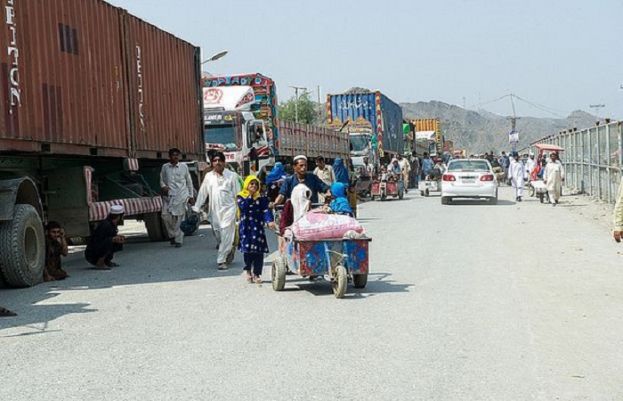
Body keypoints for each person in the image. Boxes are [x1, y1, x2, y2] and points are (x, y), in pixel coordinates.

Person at [194, 151, 241, 270]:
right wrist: (197, 206)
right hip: (214, 211)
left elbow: (238, 194)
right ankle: (229, 249)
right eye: (215, 161)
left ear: (224, 163)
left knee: (226, 234)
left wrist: (241, 210)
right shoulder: (209, 176)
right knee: (220, 236)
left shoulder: (232, 176)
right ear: (212, 163)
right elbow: (203, 192)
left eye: (220, 160)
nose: (218, 163)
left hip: (229, 210)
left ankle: (221, 260)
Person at [237, 175, 275, 284]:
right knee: (247, 251)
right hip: (246, 228)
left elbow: (265, 210)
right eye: (251, 183)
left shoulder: (261, 198)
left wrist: (269, 221)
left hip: (258, 227)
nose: (253, 186)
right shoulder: (241, 197)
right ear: (246, 185)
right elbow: (243, 207)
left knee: (259, 252)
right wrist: (250, 196)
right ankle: (248, 270)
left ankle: (257, 273)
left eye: (255, 184)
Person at [160, 148, 195, 248]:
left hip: (181, 196)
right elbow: (162, 179)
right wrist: (163, 187)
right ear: (169, 157)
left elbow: (189, 182)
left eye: (177, 155)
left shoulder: (184, 167)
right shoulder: (165, 167)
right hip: (169, 196)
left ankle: (178, 240)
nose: (175, 157)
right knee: (165, 216)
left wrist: (191, 196)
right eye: (173, 155)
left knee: (180, 218)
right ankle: (172, 235)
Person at [85, 205, 125, 269]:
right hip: (92, 254)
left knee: (116, 241)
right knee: (109, 241)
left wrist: (118, 238)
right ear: (119, 217)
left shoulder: (112, 224)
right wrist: (113, 239)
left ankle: (106, 261)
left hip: (97, 249)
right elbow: (97, 241)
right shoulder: (106, 225)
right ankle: (100, 262)